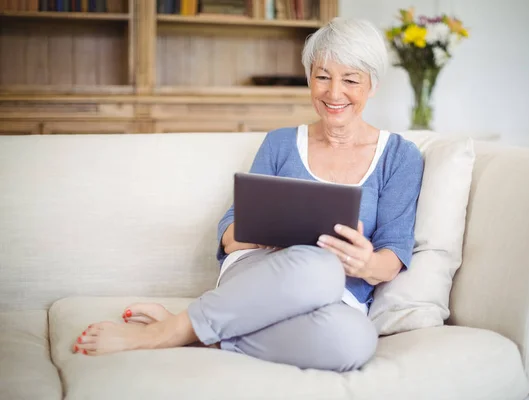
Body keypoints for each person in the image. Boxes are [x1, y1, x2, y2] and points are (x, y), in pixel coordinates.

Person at [72, 17, 424, 372]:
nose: (334, 93)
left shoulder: (400, 156)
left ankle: (198, 331)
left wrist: (366, 264)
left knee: (355, 342)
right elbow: (229, 233)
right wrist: (262, 235)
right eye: (322, 76)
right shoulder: (281, 143)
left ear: (372, 85)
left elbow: (393, 253)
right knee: (319, 266)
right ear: (309, 78)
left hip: (339, 298)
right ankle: (164, 333)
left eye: (350, 80)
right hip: (259, 274)